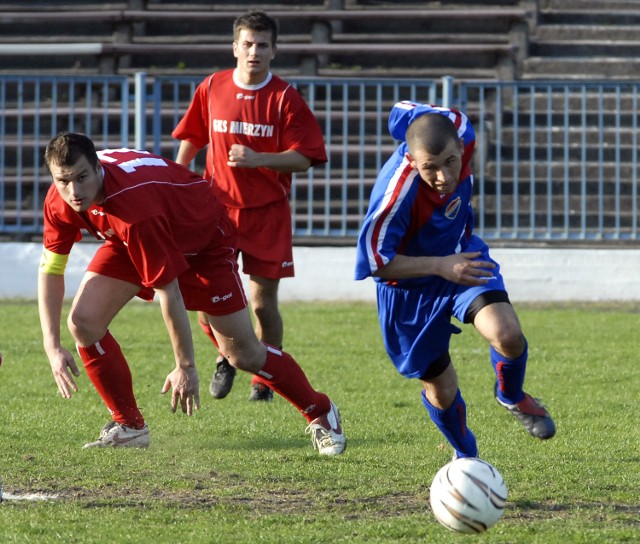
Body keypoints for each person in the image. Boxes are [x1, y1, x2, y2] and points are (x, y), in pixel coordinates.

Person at [38, 132, 345, 455]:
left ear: (98, 168)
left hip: (203, 242)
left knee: (242, 355)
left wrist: (185, 366)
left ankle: (321, 411)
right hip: (133, 235)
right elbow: (51, 270)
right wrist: (52, 345)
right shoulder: (60, 199)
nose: (74, 191)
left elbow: (169, 292)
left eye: (82, 177)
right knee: (84, 322)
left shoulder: (137, 210)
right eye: (63, 180)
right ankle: (130, 426)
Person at [355, 101, 555, 459]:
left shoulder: (460, 129)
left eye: (450, 162)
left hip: (461, 256)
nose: (444, 177)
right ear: (413, 162)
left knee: (507, 334)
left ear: (462, 147)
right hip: (408, 292)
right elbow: (376, 264)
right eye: (429, 168)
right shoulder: (393, 197)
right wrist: (440, 266)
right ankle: (468, 458)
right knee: (442, 389)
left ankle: (511, 394)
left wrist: (450, 264)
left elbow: (407, 109)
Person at [172, 10, 327, 402]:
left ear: (274, 50)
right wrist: (176, 177)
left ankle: (265, 378)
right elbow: (191, 136)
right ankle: (227, 354)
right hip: (216, 211)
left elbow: (305, 157)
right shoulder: (212, 87)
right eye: (247, 44)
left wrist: (259, 158)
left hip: (266, 214)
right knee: (204, 300)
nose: (253, 51)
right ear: (235, 47)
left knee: (262, 304)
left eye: (261, 45)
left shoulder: (285, 98)